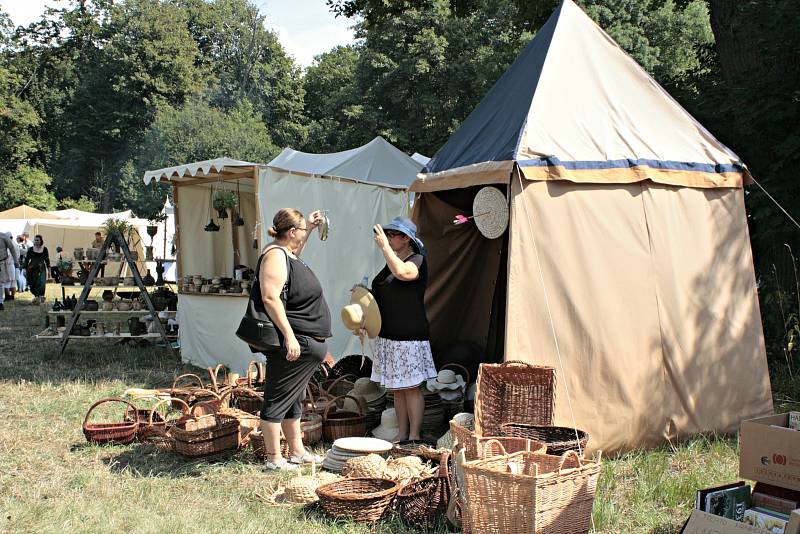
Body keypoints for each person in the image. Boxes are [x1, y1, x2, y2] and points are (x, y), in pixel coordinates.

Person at [254, 208, 330, 470]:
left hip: (306, 340)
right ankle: (274, 459)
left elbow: (296, 249)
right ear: (291, 232)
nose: (304, 235)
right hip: (293, 340)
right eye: (301, 230)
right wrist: (290, 336)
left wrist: (308, 225)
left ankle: (296, 452)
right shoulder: (274, 255)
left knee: (293, 399)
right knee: (277, 398)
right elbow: (270, 297)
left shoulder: (287, 254)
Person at [369, 216, 437, 442]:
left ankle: (414, 436)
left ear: (406, 238)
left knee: (411, 388)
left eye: (392, 235)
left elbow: (403, 274)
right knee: (398, 389)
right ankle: (402, 433)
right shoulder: (392, 261)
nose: (387, 238)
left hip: (409, 336)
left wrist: (385, 248)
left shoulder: (416, 260)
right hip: (389, 335)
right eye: (387, 235)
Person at [22, 235, 49, 304]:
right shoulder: (31, 249)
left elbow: (47, 260)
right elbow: (27, 259)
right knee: (32, 283)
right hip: (31, 269)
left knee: (41, 283)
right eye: (35, 240)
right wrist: (24, 268)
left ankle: (40, 297)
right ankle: (36, 296)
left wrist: (49, 270)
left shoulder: (45, 249)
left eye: (38, 240)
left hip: (41, 269)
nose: (36, 241)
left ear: (41, 241)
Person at [0, 232, 20, 311]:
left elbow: (12, 248)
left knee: (1, 283)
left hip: (2, 263)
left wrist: (16, 261)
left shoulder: (3, 236)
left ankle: (0, 302)